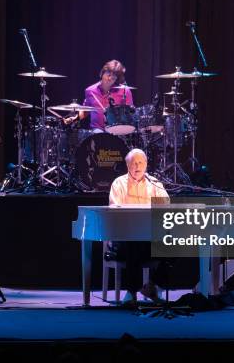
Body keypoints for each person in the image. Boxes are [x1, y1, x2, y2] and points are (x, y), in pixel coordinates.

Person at [109, 148, 170, 303]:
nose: (137, 166)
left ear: (146, 164)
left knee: (177, 244)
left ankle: (154, 286)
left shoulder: (154, 183)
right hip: (125, 237)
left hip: (150, 236)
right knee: (133, 242)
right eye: (133, 163)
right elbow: (114, 211)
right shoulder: (119, 183)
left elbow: (166, 206)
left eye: (140, 163)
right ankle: (131, 292)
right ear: (127, 165)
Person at [64, 59, 134, 131]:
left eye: (113, 77)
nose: (110, 78)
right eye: (108, 75)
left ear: (116, 79)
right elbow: (86, 110)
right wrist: (74, 118)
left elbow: (131, 113)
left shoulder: (124, 91)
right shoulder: (90, 91)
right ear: (102, 74)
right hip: (98, 130)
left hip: (117, 129)